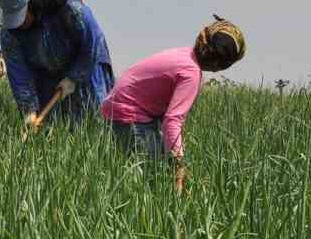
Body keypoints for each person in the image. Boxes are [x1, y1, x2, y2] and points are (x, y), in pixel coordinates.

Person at [100, 17, 246, 193]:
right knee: (152, 180)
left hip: (117, 110)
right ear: (220, 65)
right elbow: (172, 120)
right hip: (130, 116)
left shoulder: (184, 55)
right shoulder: (191, 73)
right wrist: (179, 164)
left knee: (161, 164)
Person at [0, 0, 115, 129]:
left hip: (86, 70)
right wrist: (29, 110)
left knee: (91, 126)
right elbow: (19, 73)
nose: (20, 24)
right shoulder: (11, 32)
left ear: (31, 4)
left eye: (22, 17)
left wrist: (74, 77)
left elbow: (93, 43)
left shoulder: (72, 10)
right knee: (53, 129)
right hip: (46, 76)